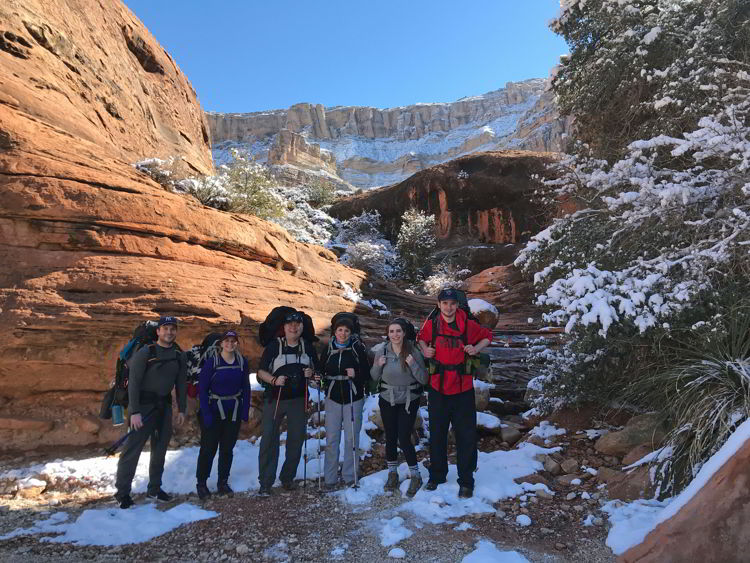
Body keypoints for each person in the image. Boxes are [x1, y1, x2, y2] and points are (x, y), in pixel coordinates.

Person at [417, 288, 492, 498]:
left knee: (466, 435)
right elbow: (420, 338)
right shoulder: (431, 324)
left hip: (462, 389)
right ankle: (437, 475)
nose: (448, 307)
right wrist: (425, 349)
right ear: (439, 305)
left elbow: (487, 336)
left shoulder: (467, 324)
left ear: (457, 305)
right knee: (437, 433)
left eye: (452, 303)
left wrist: (476, 349)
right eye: (445, 303)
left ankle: (466, 480)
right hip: (438, 388)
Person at [114, 316, 187, 509]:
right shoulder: (146, 352)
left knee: (160, 450)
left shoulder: (179, 354)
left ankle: (154, 488)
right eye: (165, 328)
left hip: (164, 408)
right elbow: (134, 384)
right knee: (132, 450)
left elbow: (180, 384)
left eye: (172, 329)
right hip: (143, 408)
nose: (169, 332)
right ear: (158, 331)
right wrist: (134, 411)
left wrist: (182, 409)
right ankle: (122, 492)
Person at [256, 310, 319, 496]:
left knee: (296, 440)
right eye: (290, 324)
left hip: (299, 400)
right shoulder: (275, 346)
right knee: (269, 439)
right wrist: (274, 381)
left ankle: (287, 477)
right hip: (275, 399)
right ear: (283, 327)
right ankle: (266, 482)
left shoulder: (307, 347)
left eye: (297, 324)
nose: (294, 327)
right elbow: (260, 372)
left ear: (302, 327)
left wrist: (312, 375)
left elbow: (318, 376)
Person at [370, 318, 428, 497]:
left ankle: (415, 475)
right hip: (388, 399)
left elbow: (424, 379)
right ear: (388, 334)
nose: (395, 335)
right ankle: (392, 473)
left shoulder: (413, 351)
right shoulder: (382, 351)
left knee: (404, 437)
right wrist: (378, 366)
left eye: (398, 331)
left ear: (404, 333)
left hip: (409, 399)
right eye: (391, 331)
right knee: (391, 436)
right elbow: (373, 376)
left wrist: (412, 364)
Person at [195, 330, 250, 500]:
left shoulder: (242, 362)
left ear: (237, 343)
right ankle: (202, 483)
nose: (230, 344)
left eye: (233, 341)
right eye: (227, 341)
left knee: (227, 449)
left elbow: (246, 388)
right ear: (221, 343)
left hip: (232, 410)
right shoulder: (212, 362)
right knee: (208, 449)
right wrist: (206, 414)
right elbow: (202, 389)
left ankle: (222, 482)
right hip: (213, 409)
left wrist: (245, 410)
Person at [320, 314, 370, 489]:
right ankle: (330, 478)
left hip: (353, 396)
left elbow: (366, 372)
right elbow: (321, 370)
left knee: (351, 438)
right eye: (340, 330)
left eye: (346, 330)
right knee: (332, 438)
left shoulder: (357, 347)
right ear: (335, 331)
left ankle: (350, 475)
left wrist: (355, 373)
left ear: (351, 332)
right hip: (333, 396)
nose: (343, 333)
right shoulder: (327, 348)